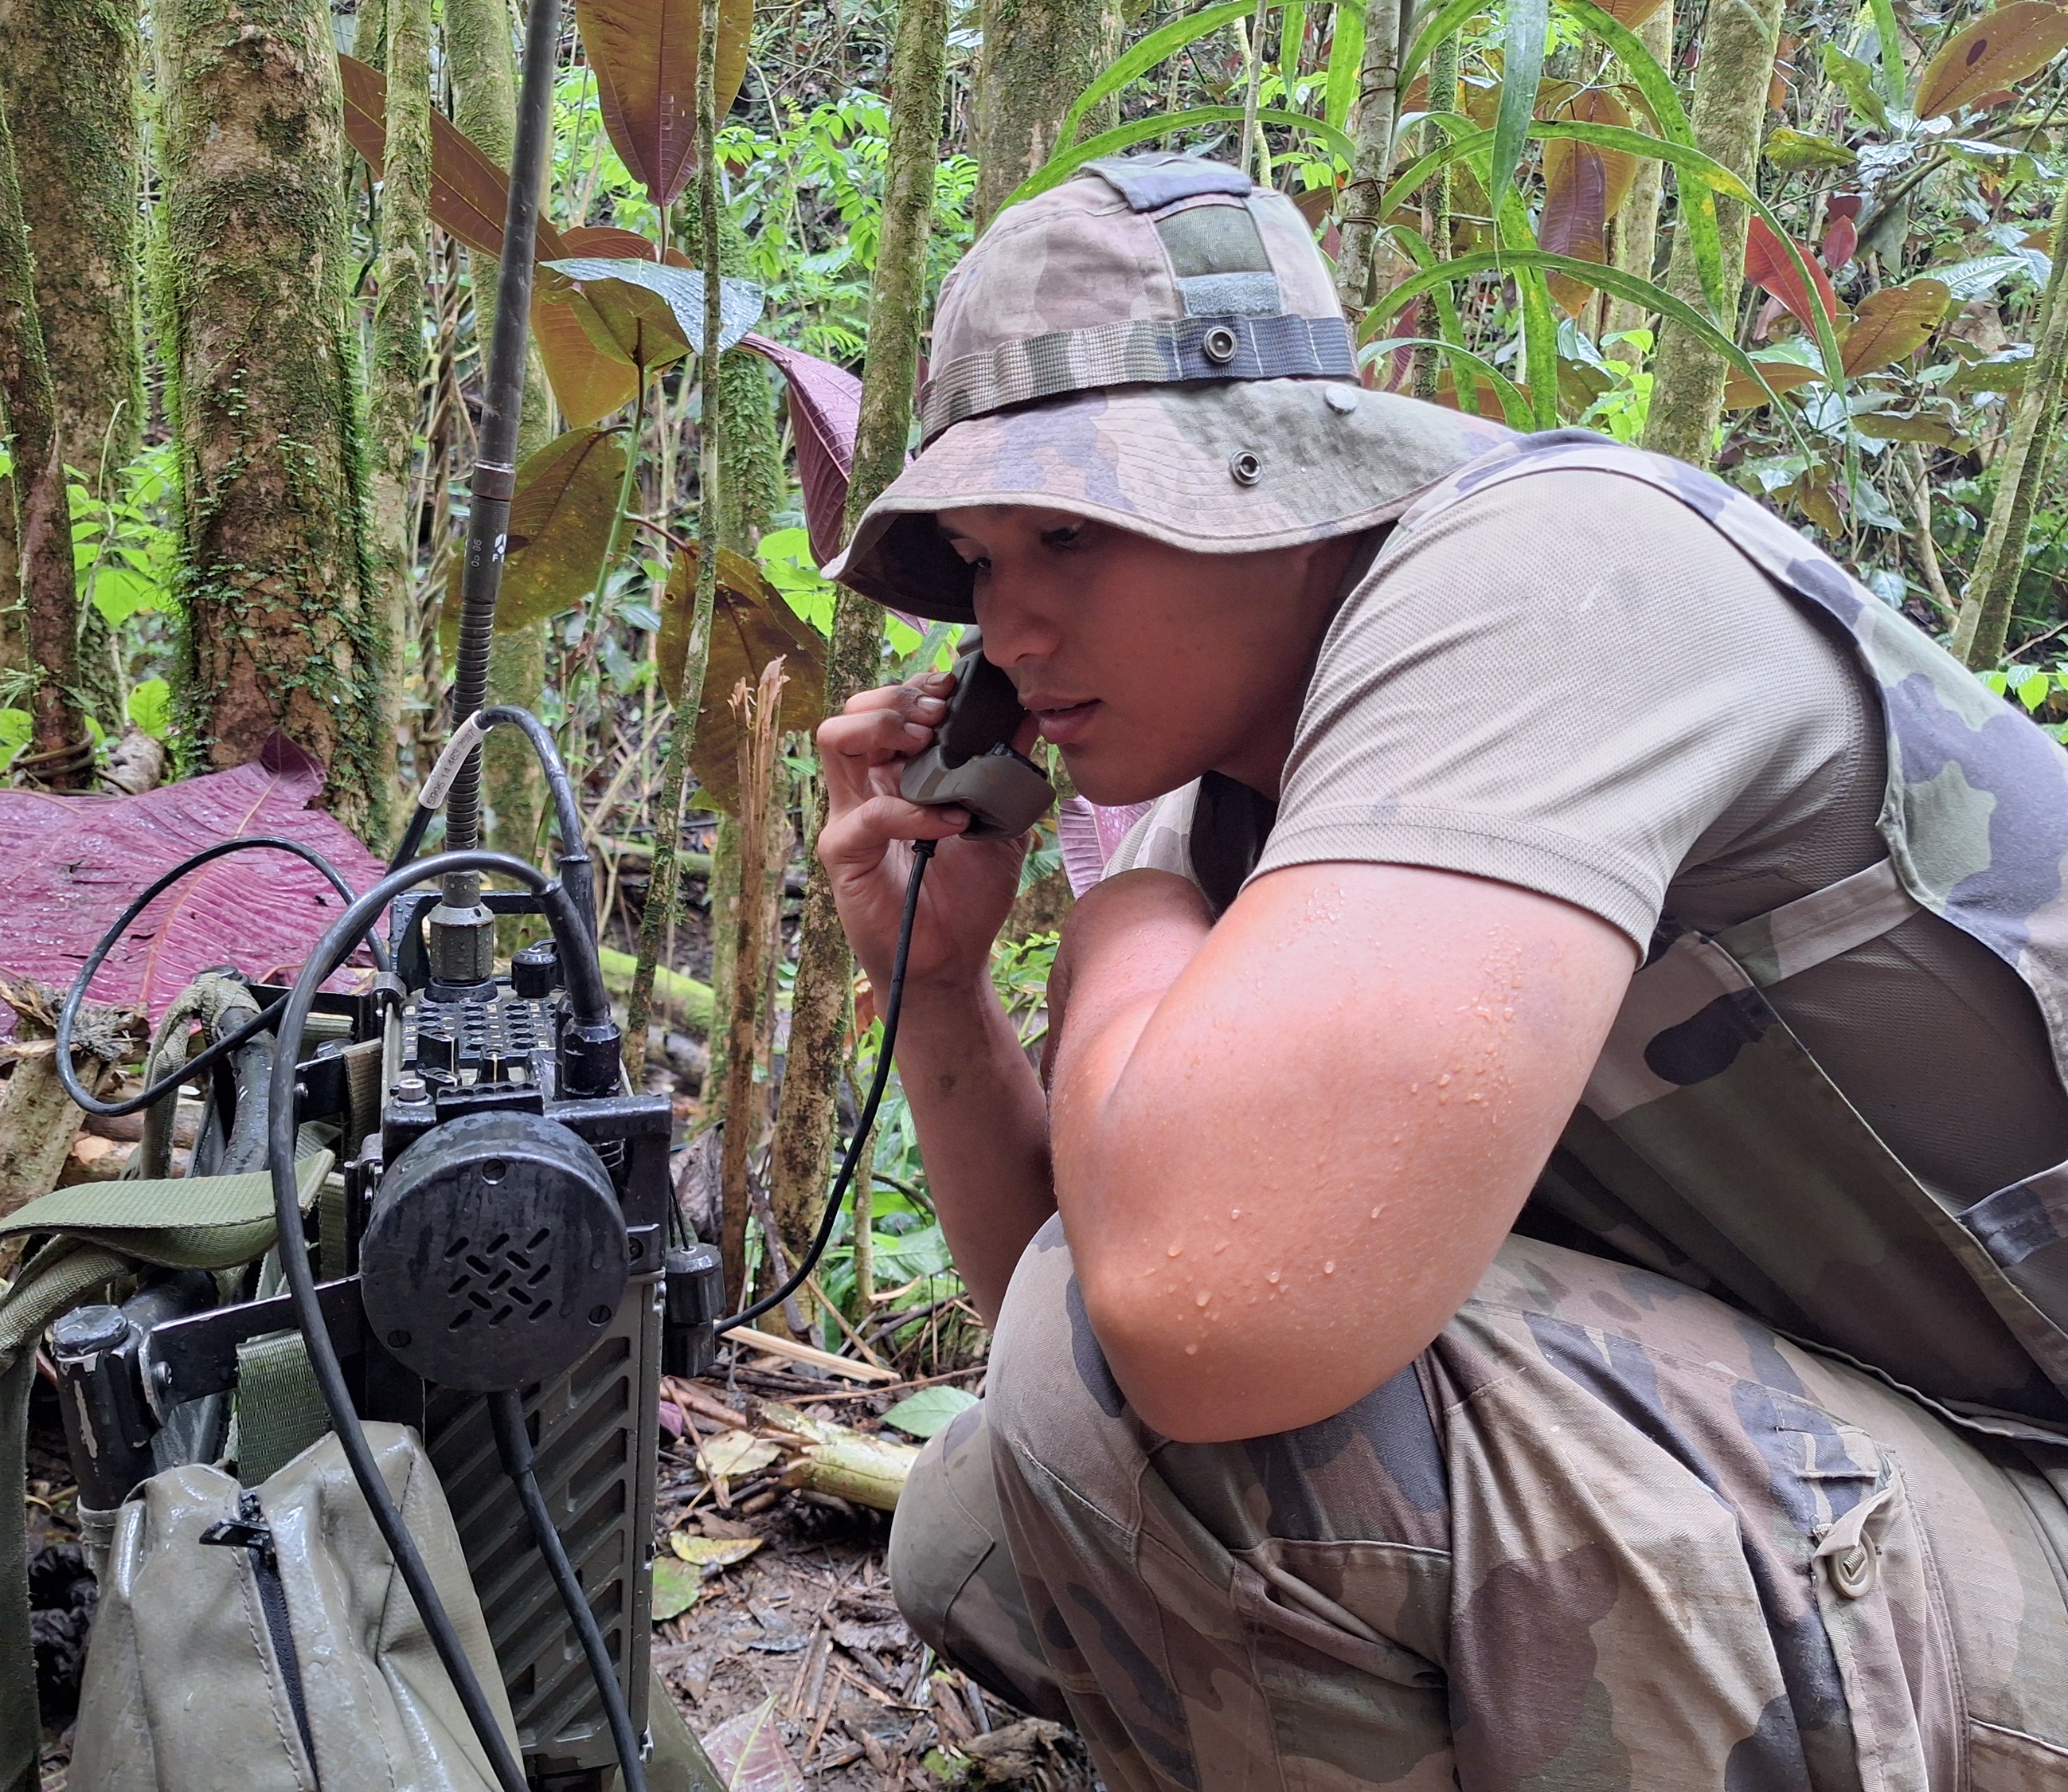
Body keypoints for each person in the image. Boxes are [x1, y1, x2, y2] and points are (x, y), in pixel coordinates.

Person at [813, 151, 2068, 1791]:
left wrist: (1122, 902)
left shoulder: (1547, 579)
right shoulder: (1244, 785)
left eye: (1073, 530)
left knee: (1190, 1421)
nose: (1015, 629)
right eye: (982, 563)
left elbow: (1198, 1316)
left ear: (1288, 493)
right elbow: (1071, 1317)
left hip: (2023, 1497)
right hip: (1886, 1475)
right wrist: (936, 989)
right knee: (987, 1526)